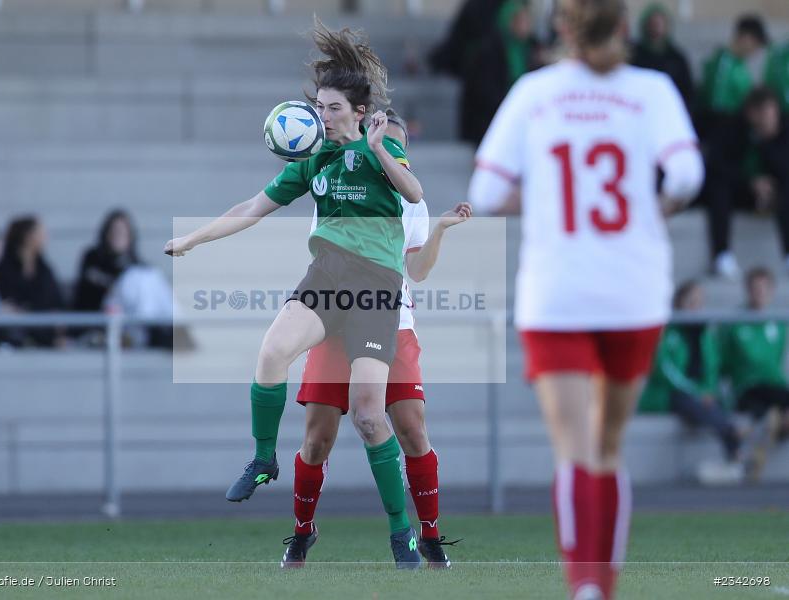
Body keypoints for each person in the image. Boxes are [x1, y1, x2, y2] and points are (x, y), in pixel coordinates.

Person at [165, 19, 425, 567]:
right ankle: (263, 458)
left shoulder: (382, 147)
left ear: (358, 112)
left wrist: (381, 149)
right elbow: (251, 209)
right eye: (320, 107)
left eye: (333, 108)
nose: (322, 116)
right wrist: (192, 238)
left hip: (377, 289)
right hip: (328, 276)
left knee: (369, 417)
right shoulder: (313, 160)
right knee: (271, 352)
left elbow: (414, 190)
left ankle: (401, 532)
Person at [467, 0, 704, 597]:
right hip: (634, 289)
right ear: (625, 27)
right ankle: (607, 585)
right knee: (609, 445)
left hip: (558, 291)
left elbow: (487, 191)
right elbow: (685, 177)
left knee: (572, 451)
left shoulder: (533, 91)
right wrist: (657, 211)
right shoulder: (653, 89)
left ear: (561, 30)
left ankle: (584, 589)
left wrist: (545, 198)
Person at [281, 112, 469, 569]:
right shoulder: (342, 181)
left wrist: (440, 230)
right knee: (316, 439)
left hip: (391, 319)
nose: (390, 151)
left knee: (411, 428)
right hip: (335, 318)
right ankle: (302, 533)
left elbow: (417, 271)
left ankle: (429, 536)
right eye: (384, 142)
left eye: (397, 146)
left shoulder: (412, 202)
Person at [639, 281, 743, 476]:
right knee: (690, 401)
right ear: (679, 302)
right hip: (667, 393)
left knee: (717, 402)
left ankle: (732, 451)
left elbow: (711, 370)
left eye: (699, 301)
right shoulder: (666, 331)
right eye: (691, 300)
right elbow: (666, 372)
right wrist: (698, 392)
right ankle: (731, 438)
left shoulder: (704, 335)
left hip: (698, 395)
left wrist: (707, 391)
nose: (696, 305)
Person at [698, 15, 769, 279]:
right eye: (755, 44)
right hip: (720, 141)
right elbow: (716, 107)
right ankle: (721, 253)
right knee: (721, 187)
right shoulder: (724, 63)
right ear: (746, 38)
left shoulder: (738, 67)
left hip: (735, 142)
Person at [429, 0, 541, 145]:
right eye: (519, 19)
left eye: (527, 19)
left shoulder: (532, 49)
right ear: (508, 20)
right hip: (490, 126)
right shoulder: (488, 54)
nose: (525, 25)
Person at [720, 267, 789, 480]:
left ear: (771, 290)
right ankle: (767, 429)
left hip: (773, 387)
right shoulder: (734, 324)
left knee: (775, 410)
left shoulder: (778, 322)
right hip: (746, 387)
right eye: (755, 288)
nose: (759, 293)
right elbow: (723, 363)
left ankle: (760, 440)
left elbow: (774, 363)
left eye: (763, 288)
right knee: (770, 408)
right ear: (747, 290)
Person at [0, 216, 67, 348]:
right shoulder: (4, 267)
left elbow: (56, 301)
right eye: (40, 233)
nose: (45, 237)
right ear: (27, 236)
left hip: (43, 328)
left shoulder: (44, 269)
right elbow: (4, 301)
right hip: (15, 329)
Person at [744, 87, 789, 275]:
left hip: (777, 191)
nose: (768, 118)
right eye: (763, 113)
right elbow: (730, 166)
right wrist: (754, 181)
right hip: (746, 191)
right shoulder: (740, 133)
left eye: (771, 112)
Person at [74, 210, 141, 313]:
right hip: (92, 319)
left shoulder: (136, 267)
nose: (117, 237)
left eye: (122, 233)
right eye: (114, 232)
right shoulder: (92, 259)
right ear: (106, 234)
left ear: (130, 237)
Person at [630, 3, 693, 109]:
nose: (656, 28)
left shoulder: (676, 57)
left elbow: (687, 92)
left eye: (660, 23)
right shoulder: (635, 54)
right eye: (653, 23)